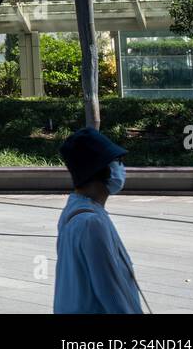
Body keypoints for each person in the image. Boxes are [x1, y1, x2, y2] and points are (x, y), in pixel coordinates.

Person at [54, 127, 145, 314]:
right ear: (101, 170)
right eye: (117, 162)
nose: (121, 168)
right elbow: (110, 291)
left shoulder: (74, 210)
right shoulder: (91, 223)